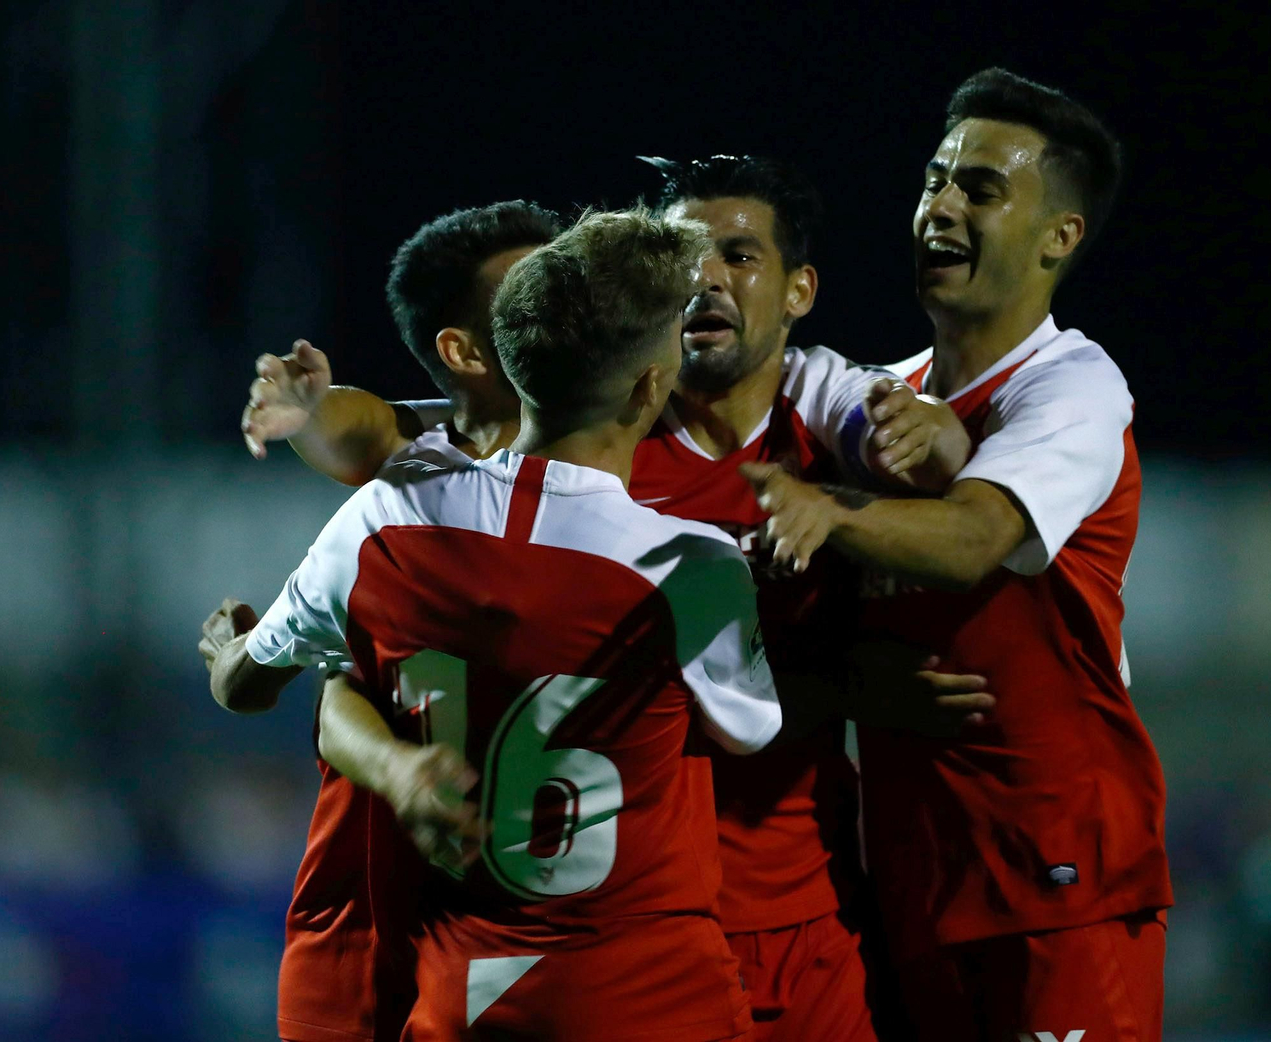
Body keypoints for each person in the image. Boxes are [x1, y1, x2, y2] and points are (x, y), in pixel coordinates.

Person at [242, 159, 992, 1041]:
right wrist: (855, 689)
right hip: (592, 948)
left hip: (780, 908)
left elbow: (902, 431)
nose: (705, 281)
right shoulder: (488, 473)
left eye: (737, 255)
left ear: (799, 290)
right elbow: (379, 439)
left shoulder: (826, 413)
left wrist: (931, 435)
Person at [204, 208, 780, 1041]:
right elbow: (747, 727)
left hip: (457, 988)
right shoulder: (689, 562)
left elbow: (262, 682)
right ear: (651, 383)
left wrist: (233, 656)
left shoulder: (387, 516)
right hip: (638, 987)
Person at [742, 69, 1172, 1041]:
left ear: (1058, 236)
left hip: (1053, 882)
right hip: (908, 882)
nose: (940, 204)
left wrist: (831, 510)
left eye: (980, 188)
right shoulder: (874, 398)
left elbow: (973, 540)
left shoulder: (1074, 387)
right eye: (935, 178)